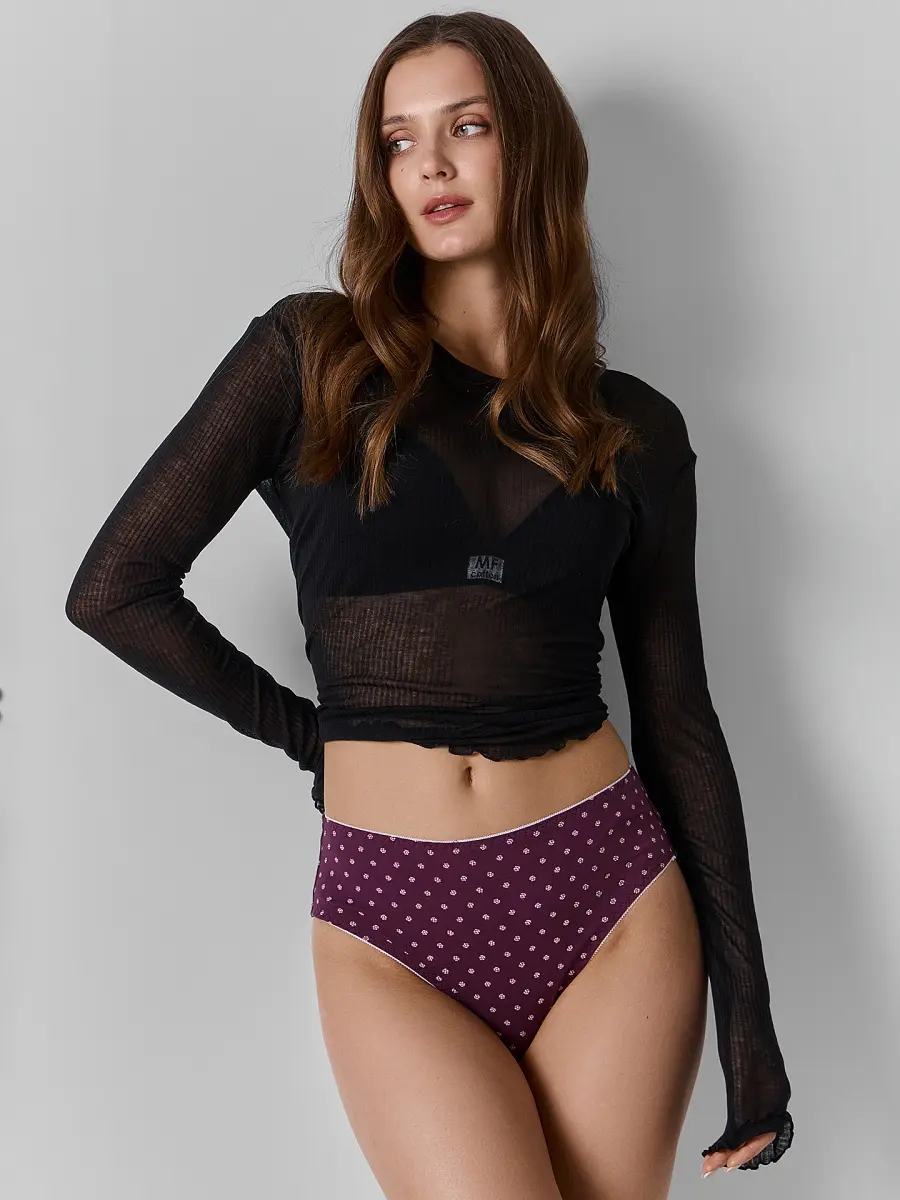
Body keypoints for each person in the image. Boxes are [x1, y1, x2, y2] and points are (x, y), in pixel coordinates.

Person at [65, 11, 793, 1198]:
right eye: (399, 141)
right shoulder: (309, 358)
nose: (432, 165)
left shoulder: (634, 429)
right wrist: (312, 739)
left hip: (609, 896)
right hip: (392, 921)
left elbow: (679, 720)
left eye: (468, 127)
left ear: (533, 146)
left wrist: (750, 1026)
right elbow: (114, 589)